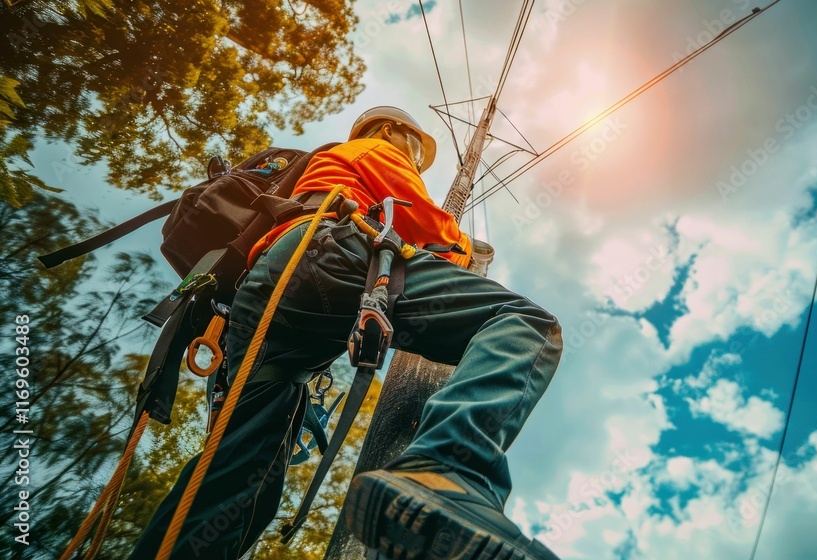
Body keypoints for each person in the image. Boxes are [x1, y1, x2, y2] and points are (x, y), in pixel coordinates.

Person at [130, 106, 563, 559]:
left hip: (262, 301)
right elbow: (428, 227)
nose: (415, 158)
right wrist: (466, 250)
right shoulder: (375, 148)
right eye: (415, 146)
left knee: (240, 482)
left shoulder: (326, 165)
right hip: (331, 254)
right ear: (393, 130)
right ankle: (444, 474)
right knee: (525, 323)